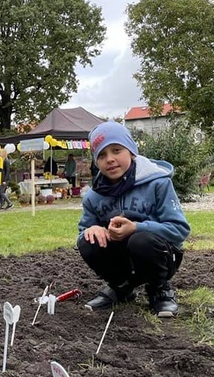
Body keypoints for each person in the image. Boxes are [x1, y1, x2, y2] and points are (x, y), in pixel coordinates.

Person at [77, 121, 190, 318]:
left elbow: (179, 229)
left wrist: (136, 227)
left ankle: (159, 289)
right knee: (88, 240)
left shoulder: (159, 183)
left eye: (117, 150)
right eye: (102, 155)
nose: (110, 159)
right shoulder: (93, 197)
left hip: (159, 254)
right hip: (121, 257)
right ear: (96, 162)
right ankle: (121, 288)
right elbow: (83, 231)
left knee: (141, 240)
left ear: (131, 151)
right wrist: (93, 228)